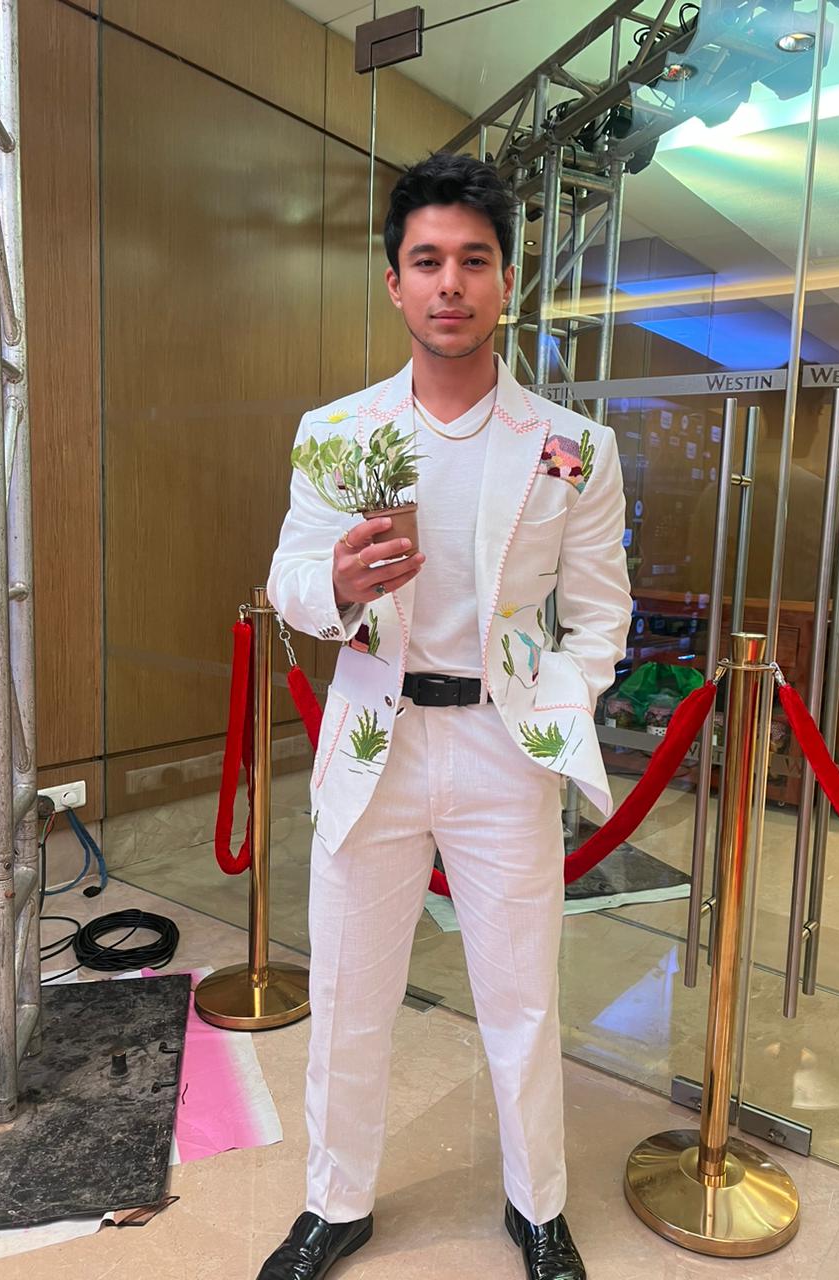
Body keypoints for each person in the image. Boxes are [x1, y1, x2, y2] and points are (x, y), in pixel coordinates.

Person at [260, 153, 631, 1280]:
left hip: (502, 747)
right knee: (347, 990)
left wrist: (559, 704)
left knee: (521, 994)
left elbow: (602, 612)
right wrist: (337, 587)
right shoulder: (337, 432)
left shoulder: (574, 446)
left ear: (508, 279)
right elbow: (286, 579)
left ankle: (538, 1206)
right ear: (394, 283)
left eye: (474, 260)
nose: (450, 283)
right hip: (373, 739)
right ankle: (334, 1203)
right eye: (427, 261)